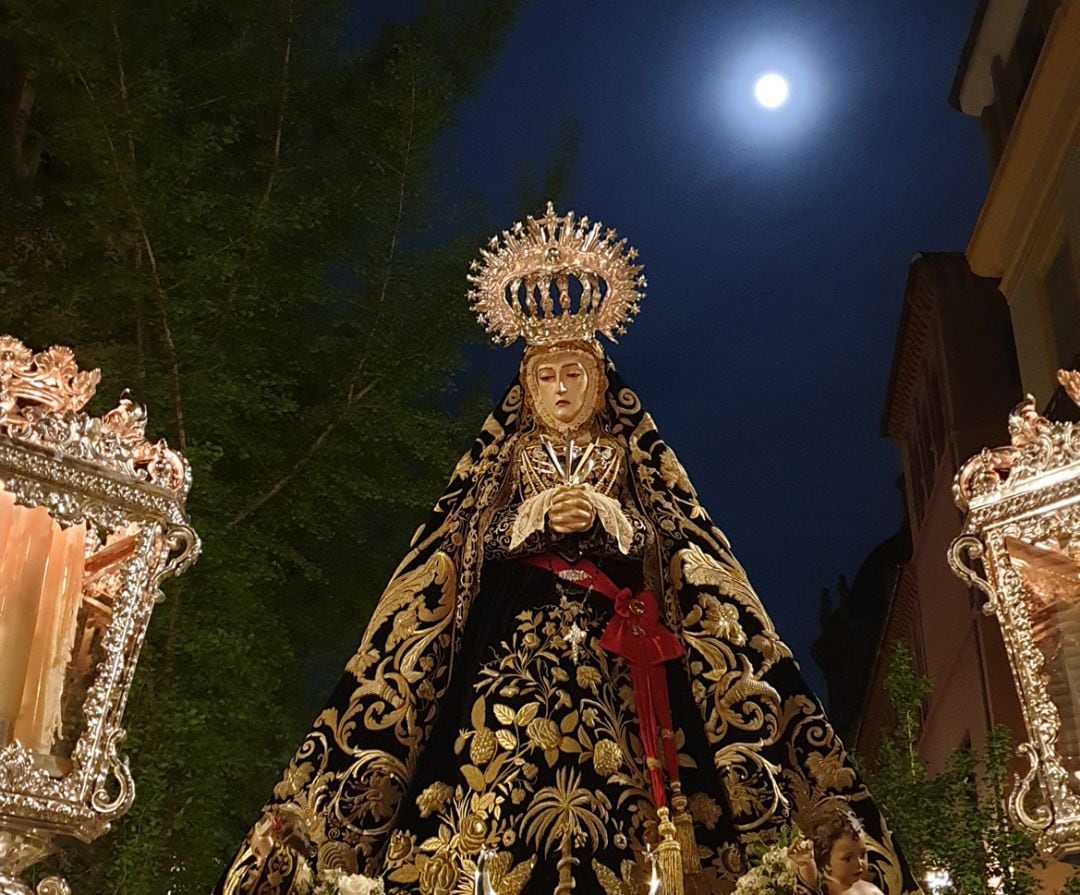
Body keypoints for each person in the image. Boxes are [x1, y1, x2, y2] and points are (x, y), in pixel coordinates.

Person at [216, 205, 920, 895]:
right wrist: (527, 519)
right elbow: (460, 543)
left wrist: (616, 519)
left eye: (575, 374)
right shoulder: (507, 457)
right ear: (527, 385)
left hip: (619, 637)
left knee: (630, 782)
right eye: (547, 376)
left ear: (599, 381)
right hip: (513, 636)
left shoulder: (627, 456)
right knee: (497, 765)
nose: (561, 388)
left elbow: (672, 544)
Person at [790, 804, 887, 895]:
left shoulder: (870, 890)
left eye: (862, 855)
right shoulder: (825, 889)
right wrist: (806, 863)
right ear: (827, 863)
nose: (859, 863)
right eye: (848, 859)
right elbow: (809, 885)